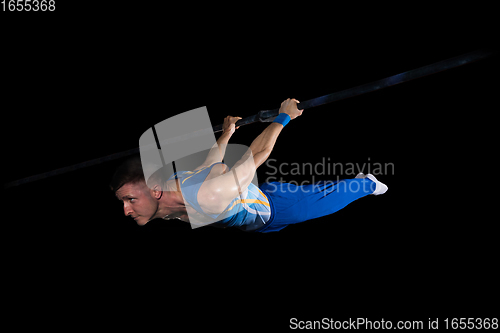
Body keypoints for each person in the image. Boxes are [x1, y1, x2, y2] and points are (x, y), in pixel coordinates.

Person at [110, 98, 387, 232]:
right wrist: (227, 134)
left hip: (274, 210)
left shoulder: (208, 196)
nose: (125, 210)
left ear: (155, 191)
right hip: (259, 197)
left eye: (130, 200)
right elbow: (210, 163)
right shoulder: (174, 187)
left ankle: (367, 183)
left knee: (329, 199)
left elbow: (257, 154)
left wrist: (284, 117)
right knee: (316, 192)